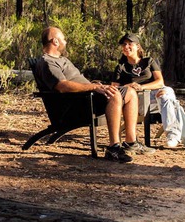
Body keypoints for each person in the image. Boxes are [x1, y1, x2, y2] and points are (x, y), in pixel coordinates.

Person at [33, 26, 143, 163]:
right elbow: (62, 86)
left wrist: (97, 85)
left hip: (88, 96)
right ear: (55, 41)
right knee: (114, 94)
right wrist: (94, 87)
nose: (65, 42)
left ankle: (131, 142)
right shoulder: (48, 62)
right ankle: (113, 148)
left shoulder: (61, 59)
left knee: (131, 93)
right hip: (78, 104)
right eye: (63, 39)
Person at [114, 32, 185, 150]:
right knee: (172, 102)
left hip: (155, 97)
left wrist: (142, 87)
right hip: (136, 102)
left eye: (129, 44)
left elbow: (160, 82)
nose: (126, 47)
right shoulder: (121, 68)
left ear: (137, 46)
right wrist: (129, 86)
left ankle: (176, 136)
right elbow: (114, 90)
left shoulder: (149, 61)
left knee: (166, 93)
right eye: (124, 45)